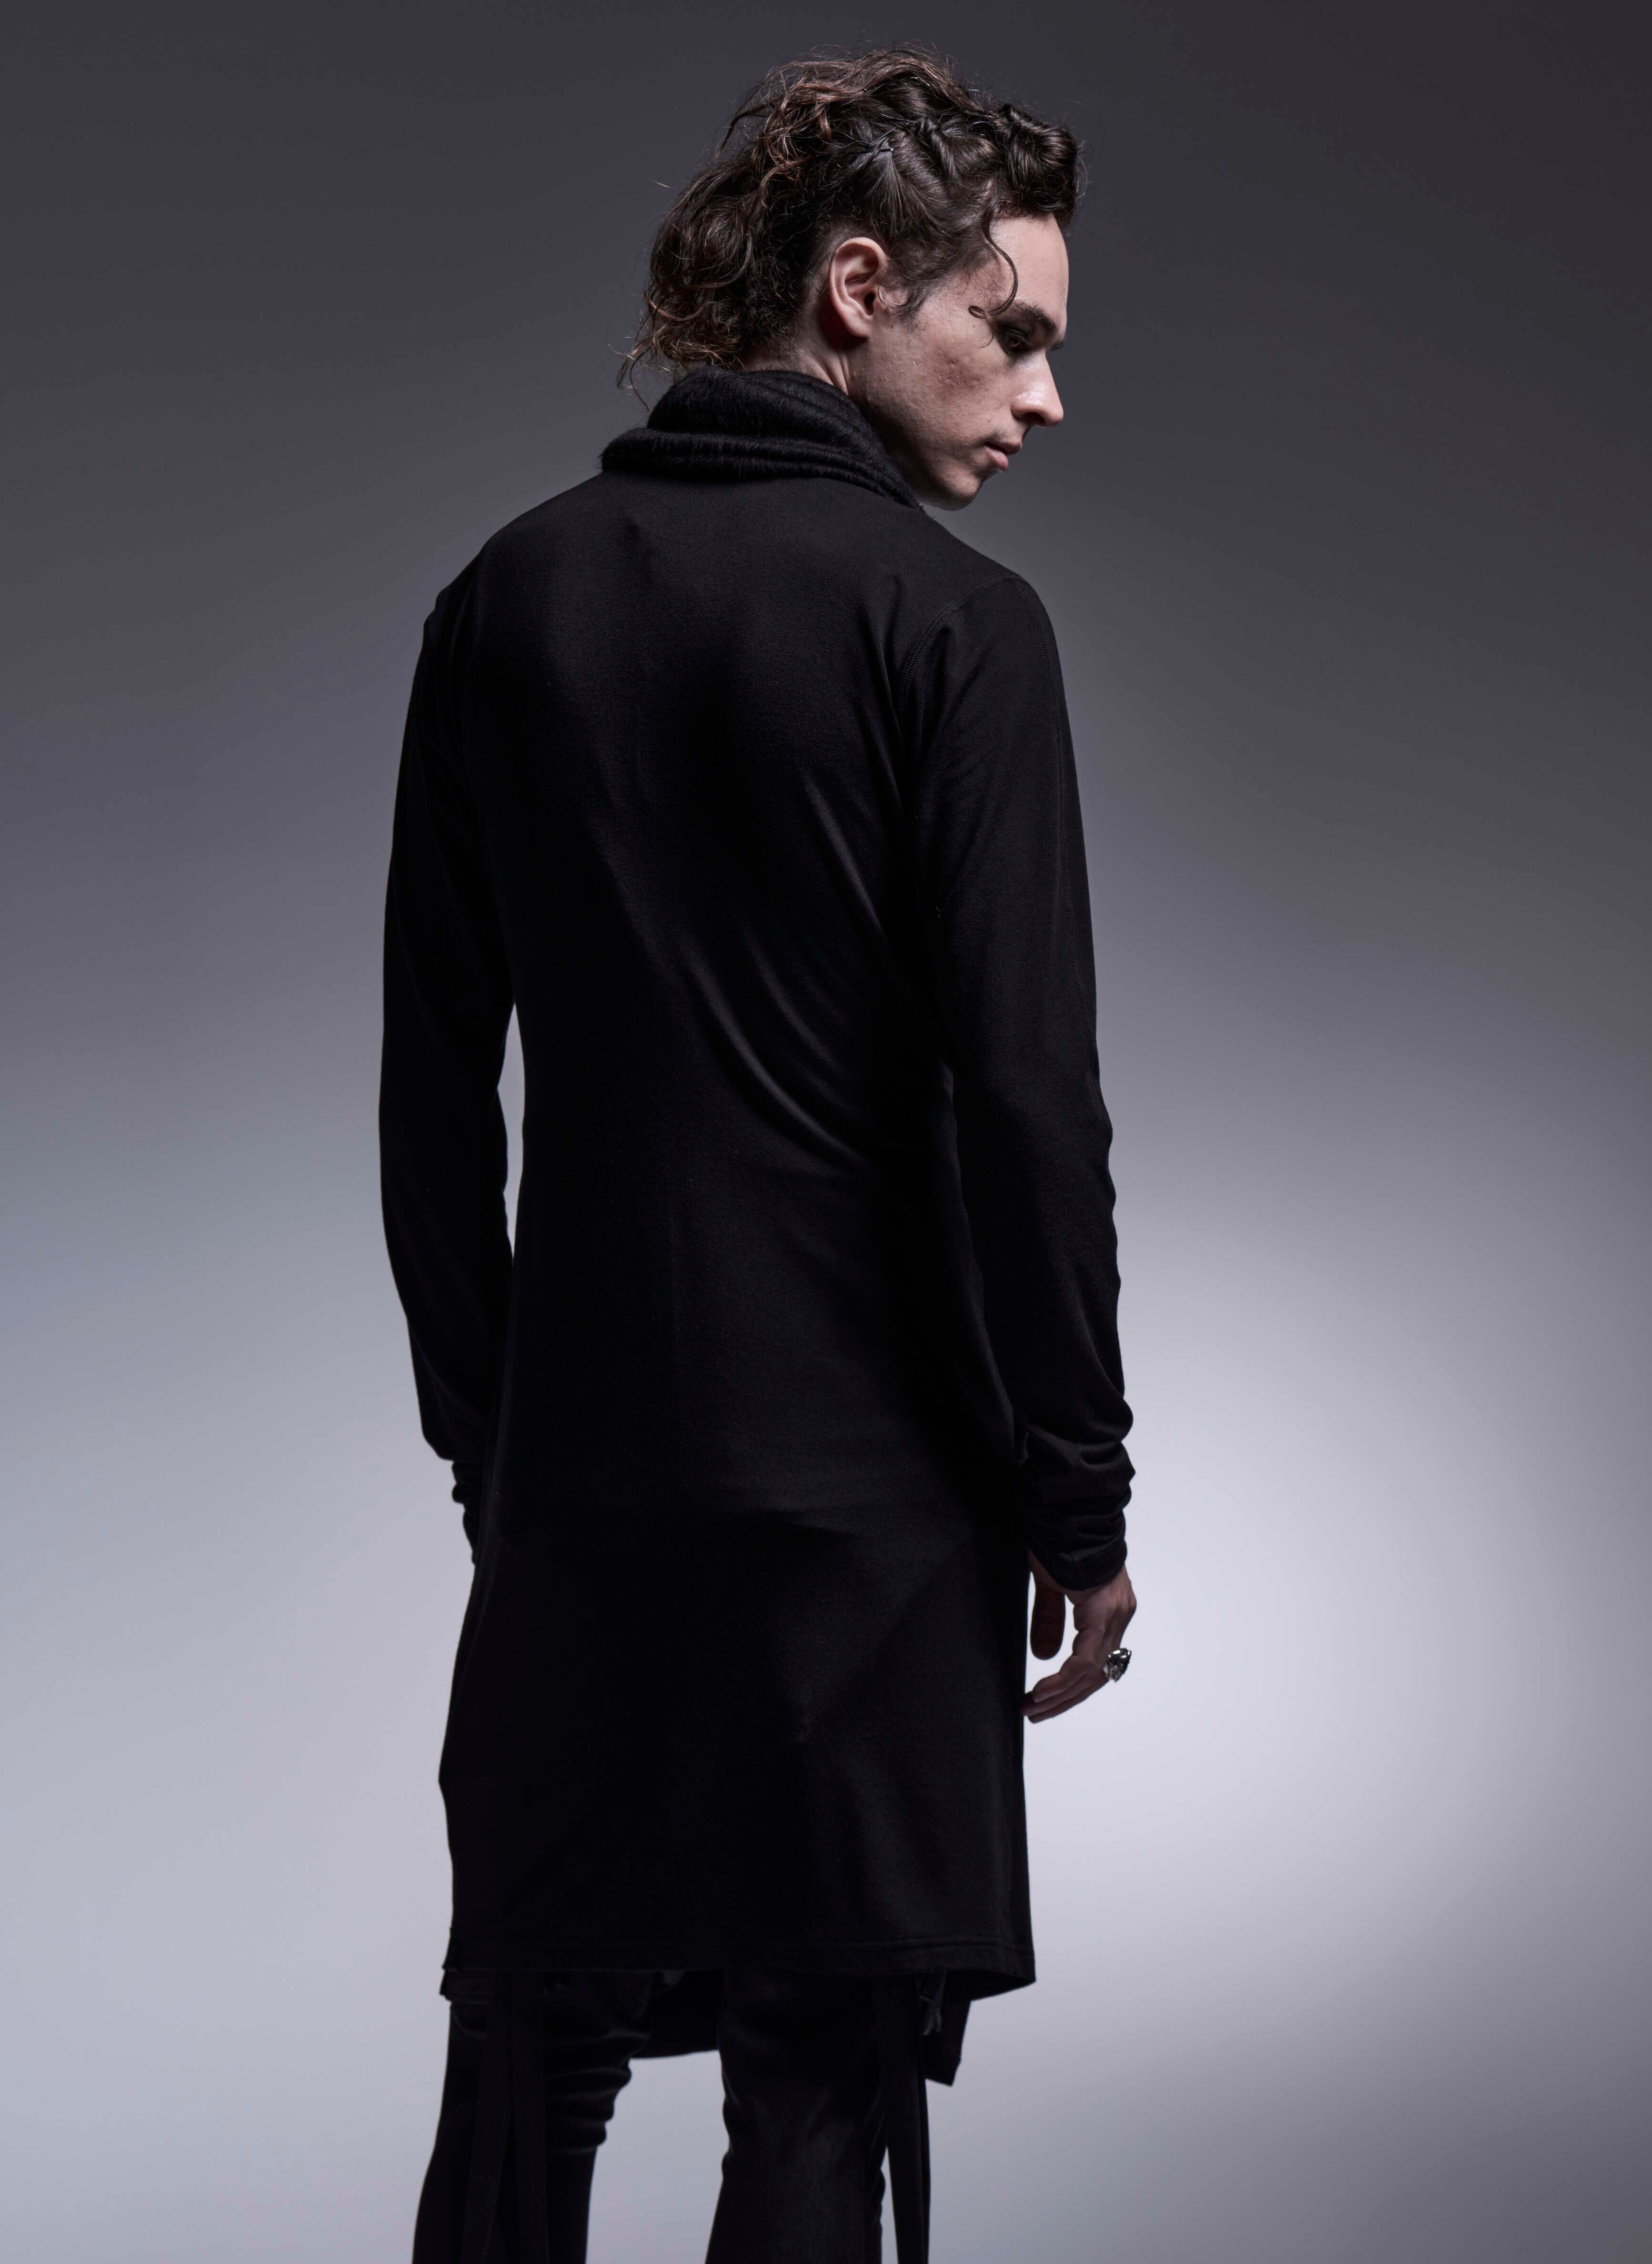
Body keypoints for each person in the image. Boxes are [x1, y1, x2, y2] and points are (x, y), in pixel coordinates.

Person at [380, 44, 1136, 2264]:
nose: (1046, 395)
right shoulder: (956, 628)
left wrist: (496, 1449)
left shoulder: (505, 601)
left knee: (532, 2059)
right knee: (819, 2081)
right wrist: (1078, 1493)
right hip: (874, 1517)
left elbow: (432, 1094)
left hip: (585, 1491)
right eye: (1013, 330)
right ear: (860, 287)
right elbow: (1027, 1106)